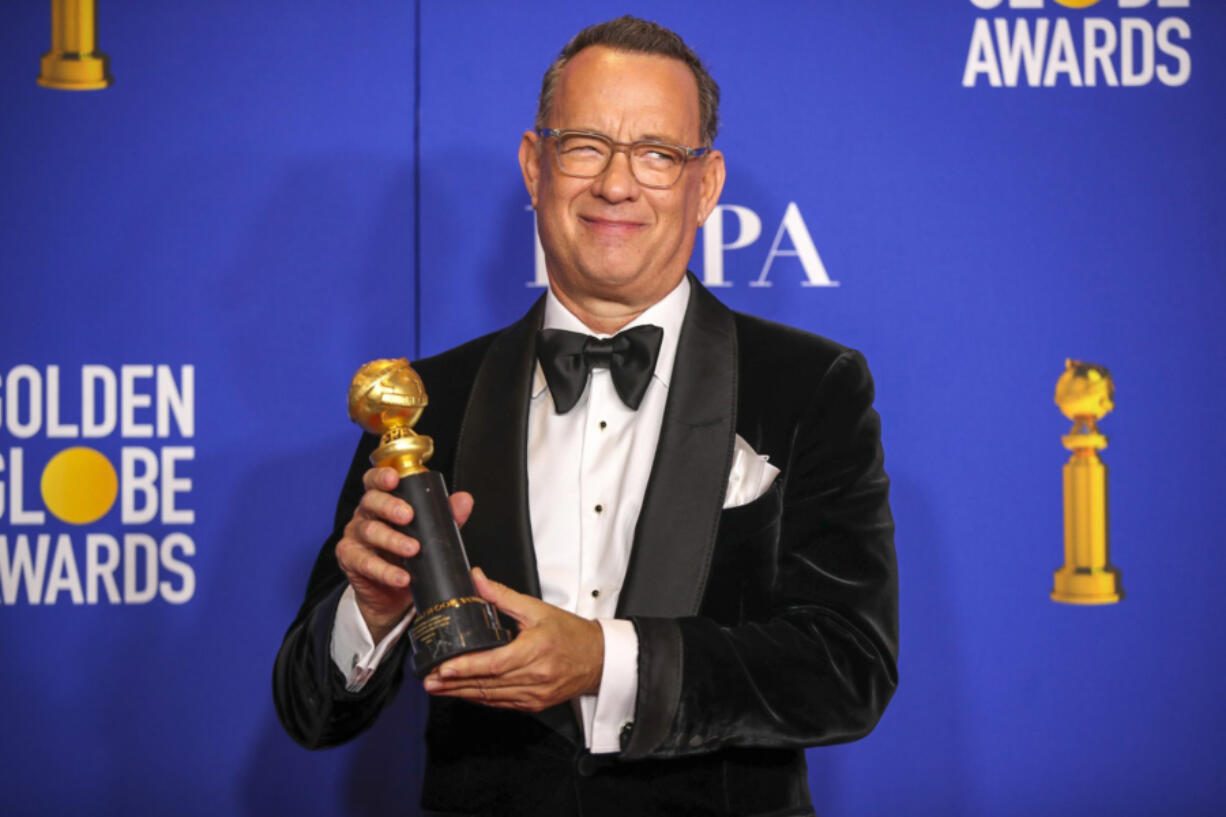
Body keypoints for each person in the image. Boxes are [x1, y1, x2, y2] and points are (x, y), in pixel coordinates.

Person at [274, 16, 897, 817]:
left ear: (704, 185)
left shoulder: (811, 385)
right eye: (585, 145)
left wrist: (608, 659)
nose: (616, 183)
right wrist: (371, 607)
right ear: (536, 166)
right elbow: (310, 711)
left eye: (657, 154)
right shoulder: (429, 398)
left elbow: (849, 669)